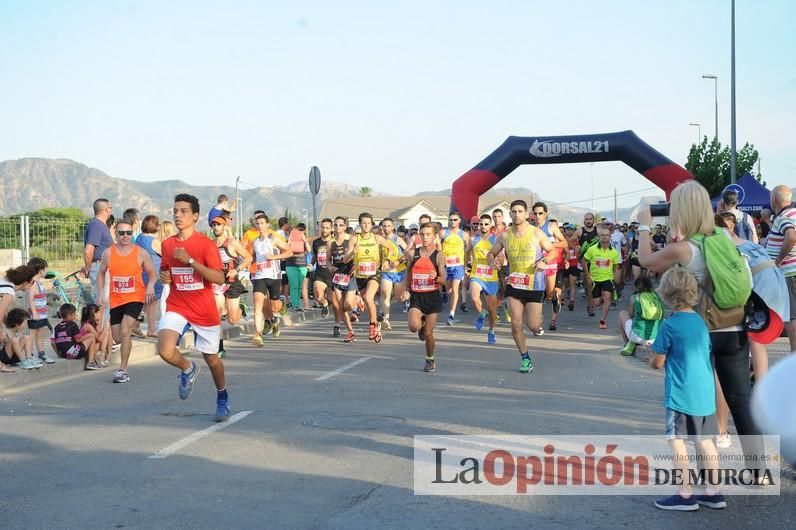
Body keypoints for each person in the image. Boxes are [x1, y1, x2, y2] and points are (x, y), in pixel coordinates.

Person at [638, 180, 763, 471]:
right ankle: (759, 473)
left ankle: (709, 478)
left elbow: (646, 261)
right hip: (734, 327)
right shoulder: (723, 235)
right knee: (741, 400)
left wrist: (644, 225)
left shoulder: (684, 249)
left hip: (700, 332)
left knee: (701, 401)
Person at [648, 267, 725, 511]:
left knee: (677, 441)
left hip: (680, 394)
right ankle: (713, 491)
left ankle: (684, 493)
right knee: (705, 442)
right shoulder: (701, 323)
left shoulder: (669, 325)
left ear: (666, 295)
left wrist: (653, 357)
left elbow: (657, 362)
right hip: (704, 394)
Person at [158, 194, 230, 422]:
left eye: (184, 211)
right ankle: (188, 368)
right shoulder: (168, 244)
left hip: (203, 308)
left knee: (212, 360)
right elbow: (166, 273)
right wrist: (165, 277)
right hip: (177, 305)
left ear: (195, 216)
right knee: (165, 350)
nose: (178, 215)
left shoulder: (205, 245)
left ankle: (222, 397)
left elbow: (219, 278)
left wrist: (190, 261)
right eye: (175, 211)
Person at [487, 200, 554, 373]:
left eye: (520, 211)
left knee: (532, 326)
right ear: (510, 214)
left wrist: (544, 261)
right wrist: (492, 261)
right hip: (514, 284)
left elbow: (552, 250)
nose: (516, 214)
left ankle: (537, 322)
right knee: (516, 324)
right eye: (513, 211)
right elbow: (490, 253)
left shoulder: (536, 233)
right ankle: (525, 358)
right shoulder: (504, 236)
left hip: (534, 284)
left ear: (526, 214)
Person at [97, 220, 158, 383]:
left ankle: (123, 370)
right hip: (116, 299)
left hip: (135, 297)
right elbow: (101, 273)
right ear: (115, 234)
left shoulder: (140, 253)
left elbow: (153, 274)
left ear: (133, 234)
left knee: (125, 330)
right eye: (121, 233)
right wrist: (101, 293)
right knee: (118, 337)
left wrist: (150, 286)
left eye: (129, 233)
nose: (125, 236)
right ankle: (123, 362)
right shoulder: (108, 253)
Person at [405, 222, 446, 372]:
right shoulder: (412, 253)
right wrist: (406, 289)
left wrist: (436, 277)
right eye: (422, 234)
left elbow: (444, 280)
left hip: (432, 298)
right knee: (413, 327)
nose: (425, 237)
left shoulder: (439, 256)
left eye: (428, 234)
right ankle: (420, 324)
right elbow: (408, 272)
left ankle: (430, 359)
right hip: (417, 296)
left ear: (435, 236)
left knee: (428, 333)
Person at [210, 215, 251, 357]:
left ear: (224, 227)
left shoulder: (231, 243)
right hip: (217, 283)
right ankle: (219, 348)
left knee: (232, 320)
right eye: (213, 225)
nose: (216, 227)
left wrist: (237, 270)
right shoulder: (210, 244)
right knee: (217, 315)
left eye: (218, 225)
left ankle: (242, 308)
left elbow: (248, 257)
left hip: (232, 282)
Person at [346, 213, 388, 344]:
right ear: (359, 224)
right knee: (357, 302)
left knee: (369, 298)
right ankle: (373, 322)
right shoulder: (354, 239)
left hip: (374, 274)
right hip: (359, 276)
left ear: (372, 224)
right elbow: (345, 258)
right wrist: (353, 252)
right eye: (363, 223)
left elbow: (390, 249)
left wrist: (386, 260)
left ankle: (373, 325)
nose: (366, 225)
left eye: (369, 223)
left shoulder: (377, 238)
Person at [251, 213, 292, 345]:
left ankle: (281, 304)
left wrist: (274, 257)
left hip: (274, 276)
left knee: (274, 307)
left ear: (267, 225)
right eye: (258, 223)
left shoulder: (273, 238)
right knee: (258, 303)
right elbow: (253, 257)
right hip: (260, 276)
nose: (260, 226)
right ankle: (257, 335)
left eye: (262, 223)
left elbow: (289, 252)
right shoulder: (255, 241)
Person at [766, 184, 796, 352]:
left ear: (774, 200)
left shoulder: (784, 216)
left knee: (793, 316)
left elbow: (791, 237)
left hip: (790, 272)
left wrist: (778, 260)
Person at [532, 203, 567, 331]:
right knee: (537, 293)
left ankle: (555, 298)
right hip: (536, 264)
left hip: (550, 263)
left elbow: (564, 243)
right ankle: (538, 321)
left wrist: (551, 243)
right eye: (535, 213)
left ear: (545, 214)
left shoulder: (551, 227)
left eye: (540, 213)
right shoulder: (530, 228)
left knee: (550, 293)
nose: (537, 216)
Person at [466, 214, 499, 344]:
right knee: (474, 297)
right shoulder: (473, 239)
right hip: (477, 274)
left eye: (486, 224)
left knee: (492, 309)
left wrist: (499, 262)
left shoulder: (496, 239)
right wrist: (465, 266)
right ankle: (481, 312)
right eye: (481, 224)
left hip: (491, 277)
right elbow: (466, 252)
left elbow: (501, 256)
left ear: (490, 225)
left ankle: (491, 330)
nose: (483, 226)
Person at [0, 265, 37, 372]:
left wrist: (7, 323)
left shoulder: (4, 282)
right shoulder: (9, 291)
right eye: (32, 282)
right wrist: (1, 331)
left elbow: (2, 312)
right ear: (25, 282)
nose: (33, 284)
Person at [583, 225, 620, 329]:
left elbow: (616, 266)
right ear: (600, 237)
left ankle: (603, 320)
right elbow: (584, 260)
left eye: (607, 235)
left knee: (607, 297)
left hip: (608, 278)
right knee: (597, 302)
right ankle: (594, 303)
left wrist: (617, 278)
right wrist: (587, 275)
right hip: (595, 279)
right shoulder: (592, 249)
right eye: (603, 235)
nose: (605, 237)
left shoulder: (614, 252)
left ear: (610, 237)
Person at [618, 276, 664, 357]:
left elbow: (631, 315)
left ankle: (627, 344)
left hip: (637, 336)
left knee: (622, 313)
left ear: (636, 287)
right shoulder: (657, 297)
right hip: (655, 338)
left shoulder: (634, 297)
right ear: (650, 286)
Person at [136, 215, 164, 338]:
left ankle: (135, 326)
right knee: (152, 304)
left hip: (140, 273)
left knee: (142, 303)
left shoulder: (139, 238)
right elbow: (165, 255)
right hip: (153, 275)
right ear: (155, 226)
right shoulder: (155, 242)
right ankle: (151, 329)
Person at [329, 216, 357, 342]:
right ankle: (351, 332)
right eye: (336, 225)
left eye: (341, 225)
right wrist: (331, 267)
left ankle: (357, 299)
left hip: (349, 275)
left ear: (345, 226)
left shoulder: (351, 239)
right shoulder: (331, 242)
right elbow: (327, 260)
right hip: (338, 276)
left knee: (348, 305)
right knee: (341, 307)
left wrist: (356, 267)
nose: (338, 227)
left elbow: (358, 255)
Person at [440, 212, 469, 326]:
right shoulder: (443, 233)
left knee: (455, 289)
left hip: (458, 265)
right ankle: (448, 294)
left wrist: (465, 264)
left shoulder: (464, 235)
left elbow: (469, 249)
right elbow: (437, 243)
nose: (452, 222)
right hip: (446, 265)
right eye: (451, 219)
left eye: (455, 219)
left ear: (459, 220)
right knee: (448, 290)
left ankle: (451, 314)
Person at [378, 217, 408, 330]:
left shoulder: (397, 239)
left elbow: (408, 253)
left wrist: (398, 261)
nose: (386, 228)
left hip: (399, 271)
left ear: (393, 227)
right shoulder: (379, 240)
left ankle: (407, 296)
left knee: (399, 298)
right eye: (384, 226)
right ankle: (385, 319)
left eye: (388, 226)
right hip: (386, 272)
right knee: (385, 294)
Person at [83, 198, 114, 302]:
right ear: (106, 210)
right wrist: (88, 268)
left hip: (103, 266)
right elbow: (89, 250)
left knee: (105, 300)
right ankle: (100, 319)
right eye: (111, 208)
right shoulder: (96, 225)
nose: (111, 210)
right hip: (100, 267)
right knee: (103, 300)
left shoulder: (101, 225)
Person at [26, 257, 55, 364]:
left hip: (42, 315)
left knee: (40, 335)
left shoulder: (40, 284)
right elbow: (30, 299)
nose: (46, 271)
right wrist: (34, 313)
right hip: (35, 315)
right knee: (32, 335)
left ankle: (41, 354)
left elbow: (40, 298)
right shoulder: (33, 283)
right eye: (45, 269)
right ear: (40, 271)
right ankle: (29, 356)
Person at [575, 212, 599, 315]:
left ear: (593, 220)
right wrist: (577, 247)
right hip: (584, 261)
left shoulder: (598, 230)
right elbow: (570, 241)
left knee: (594, 284)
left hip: (596, 261)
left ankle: (592, 305)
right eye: (587, 219)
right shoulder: (580, 231)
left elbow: (608, 235)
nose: (588, 221)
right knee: (588, 284)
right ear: (584, 221)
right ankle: (590, 303)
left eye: (590, 219)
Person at [312, 218, 335, 320]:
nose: (324, 230)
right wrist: (311, 264)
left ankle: (329, 305)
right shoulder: (316, 242)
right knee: (318, 295)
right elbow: (315, 256)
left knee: (333, 300)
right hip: (320, 273)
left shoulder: (335, 242)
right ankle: (324, 304)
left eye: (327, 228)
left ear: (331, 229)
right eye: (322, 227)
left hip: (332, 275)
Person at [286, 223, 311, 312]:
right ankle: (295, 305)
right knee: (294, 285)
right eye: (298, 230)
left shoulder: (303, 240)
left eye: (301, 230)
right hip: (291, 265)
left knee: (299, 286)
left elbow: (309, 250)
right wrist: (290, 239)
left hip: (302, 266)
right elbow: (286, 249)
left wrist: (304, 240)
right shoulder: (290, 239)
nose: (299, 232)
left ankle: (297, 304)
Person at [79, 304, 111, 370]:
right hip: (86, 350)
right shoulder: (88, 326)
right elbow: (100, 339)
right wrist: (105, 329)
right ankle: (102, 355)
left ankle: (106, 354)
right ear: (93, 314)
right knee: (107, 331)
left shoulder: (89, 323)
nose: (100, 315)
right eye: (98, 313)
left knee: (108, 332)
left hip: (89, 348)